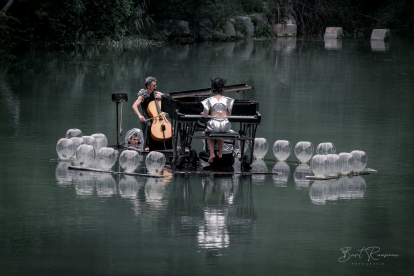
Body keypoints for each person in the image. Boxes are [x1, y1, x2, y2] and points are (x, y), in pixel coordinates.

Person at [201, 77, 235, 163]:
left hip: (214, 125)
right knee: (221, 134)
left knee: (208, 133)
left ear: (212, 88)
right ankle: (220, 153)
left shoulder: (208, 100)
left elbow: (205, 115)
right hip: (225, 126)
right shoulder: (229, 100)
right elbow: (229, 114)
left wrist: (203, 113)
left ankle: (212, 153)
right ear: (223, 88)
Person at [132, 77, 163, 151]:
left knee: (161, 126)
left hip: (154, 114)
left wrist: (162, 96)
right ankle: (147, 145)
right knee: (148, 125)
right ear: (148, 86)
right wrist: (140, 115)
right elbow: (134, 105)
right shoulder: (143, 95)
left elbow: (167, 96)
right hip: (145, 114)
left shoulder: (155, 93)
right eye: (154, 86)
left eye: (155, 85)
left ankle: (160, 144)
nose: (156, 87)